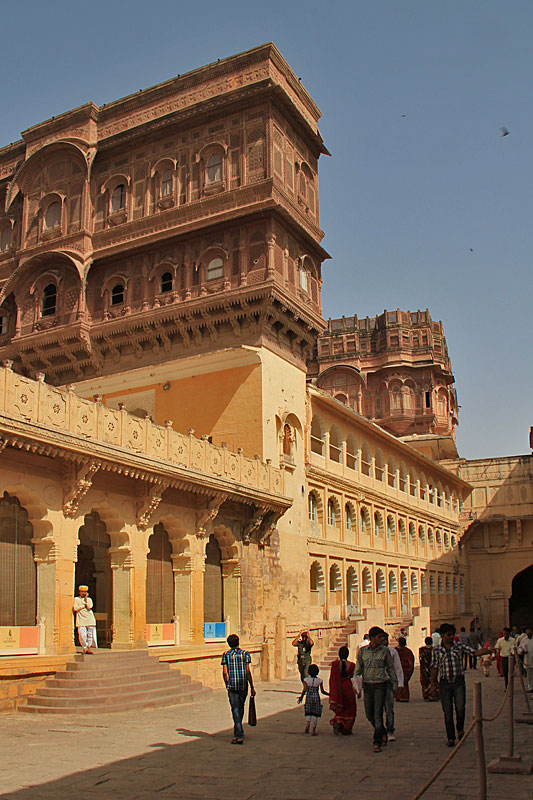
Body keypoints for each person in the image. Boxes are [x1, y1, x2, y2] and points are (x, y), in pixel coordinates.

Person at [430, 623, 493, 747]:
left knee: (460, 708)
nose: (451, 637)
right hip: (445, 683)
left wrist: (487, 650)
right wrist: (433, 683)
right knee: (447, 711)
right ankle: (451, 737)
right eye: (448, 635)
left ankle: (460, 728)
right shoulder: (437, 650)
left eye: (452, 634)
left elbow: (473, 653)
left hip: (458, 682)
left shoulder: (458, 646)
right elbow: (434, 667)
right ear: (442, 635)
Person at [354, 626, 398, 753]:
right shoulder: (363, 651)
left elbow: (390, 668)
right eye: (379, 637)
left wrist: (395, 684)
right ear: (372, 638)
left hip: (380, 685)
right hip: (367, 685)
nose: (382, 639)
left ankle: (377, 741)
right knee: (369, 714)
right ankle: (382, 731)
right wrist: (355, 683)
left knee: (377, 713)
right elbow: (358, 668)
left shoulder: (385, 652)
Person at [221, 633, 256, 744]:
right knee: (240, 707)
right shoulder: (245, 654)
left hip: (232, 685)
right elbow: (248, 671)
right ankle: (239, 730)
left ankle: (239, 732)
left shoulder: (226, 655)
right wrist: (252, 685)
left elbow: (225, 672)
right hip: (243, 685)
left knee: (235, 709)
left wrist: (226, 683)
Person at [329, 646, 358, 736]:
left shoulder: (334, 664)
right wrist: (358, 690)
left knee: (340, 709)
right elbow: (355, 679)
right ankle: (347, 728)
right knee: (350, 708)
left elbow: (332, 679)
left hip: (338, 688)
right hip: (348, 688)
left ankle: (338, 720)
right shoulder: (352, 665)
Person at [297, 663, 329, 735]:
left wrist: (301, 697)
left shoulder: (306, 680)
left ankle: (307, 726)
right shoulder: (319, 681)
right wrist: (329, 694)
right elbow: (322, 691)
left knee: (308, 712)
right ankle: (313, 730)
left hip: (308, 697)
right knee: (315, 714)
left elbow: (304, 690)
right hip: (316, 697)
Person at [383, 632, 404, 740]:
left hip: (387, 683)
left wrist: (400, 683)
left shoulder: (392, 652)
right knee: (375, 710)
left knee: (389, 708)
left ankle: (390, 730)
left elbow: (398, 668)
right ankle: (380, 730)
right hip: (375, 684)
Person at [73, 585, 97, 655]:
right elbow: (75, 608)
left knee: (90, 634)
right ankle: (84, 647)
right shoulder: (76, 599)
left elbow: (89, 607)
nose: (83, 593)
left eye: (85, 592)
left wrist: (86, 600)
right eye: (82, 592)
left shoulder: (89, 599)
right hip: (81, 619)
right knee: (82, 634)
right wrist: (83, 605)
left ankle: (89, 648)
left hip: (89, 618)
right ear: (79, 592)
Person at [395, 637, 415, 702]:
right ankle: (402, 696)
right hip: (404, 670)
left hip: (402, 670)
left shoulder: (397, 651)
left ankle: (400, 696)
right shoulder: (407, 651)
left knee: (401, 682)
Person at [419, 637, 439, 701]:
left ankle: (426, 694)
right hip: (432, 668)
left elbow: (421, 659)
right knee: (433, 680)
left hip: (424, 669)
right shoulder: (434, 650)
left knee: (426, 681)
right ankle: (433, 694)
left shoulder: (421, 650)